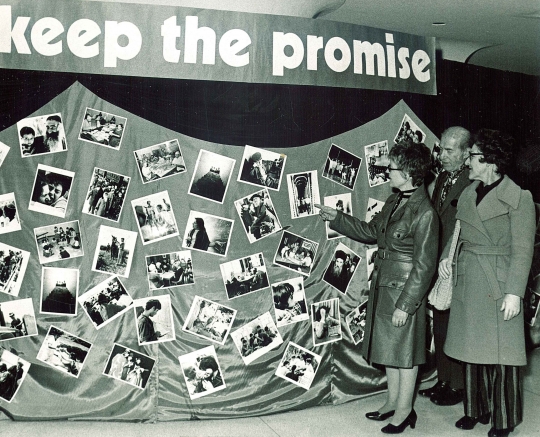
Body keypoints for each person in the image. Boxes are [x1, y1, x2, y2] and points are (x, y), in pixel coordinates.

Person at [316, 141, 438, 434]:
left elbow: (424, 267)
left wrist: (406, 305)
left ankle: (405, 411)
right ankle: (393, 402)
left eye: (392, 168)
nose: (387, 172)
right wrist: (338, 218)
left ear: (409, 173)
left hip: (404, 291)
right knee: (391, 351)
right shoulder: (394, 201)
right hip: (384, 284)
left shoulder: (425, 213)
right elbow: (372, 232)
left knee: (405, 356)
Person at [439, 129, 535, 437]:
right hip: (469, 278)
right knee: (470, 349)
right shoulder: (469, 191)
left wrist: (514, 293)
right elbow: (460, 231)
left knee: (502, 355)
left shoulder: (519, 198)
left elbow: (523, 251)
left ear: (491, 161)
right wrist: (446, 257)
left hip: (498, 283)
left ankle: (504, 419)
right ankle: (475, 408)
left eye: (473, 157)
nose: (468, 162)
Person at [419, 127, 472, 406]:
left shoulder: (471, 182)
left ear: (466, 153)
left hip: (457, 261)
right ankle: (443, 380)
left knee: (455, 324)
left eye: (449, 150)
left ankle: (458, 385)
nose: (442, 155)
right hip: (438, 260)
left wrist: (448, 256)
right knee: (440, 321)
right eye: (440, 149)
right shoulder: (441, 178)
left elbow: (464, 224)